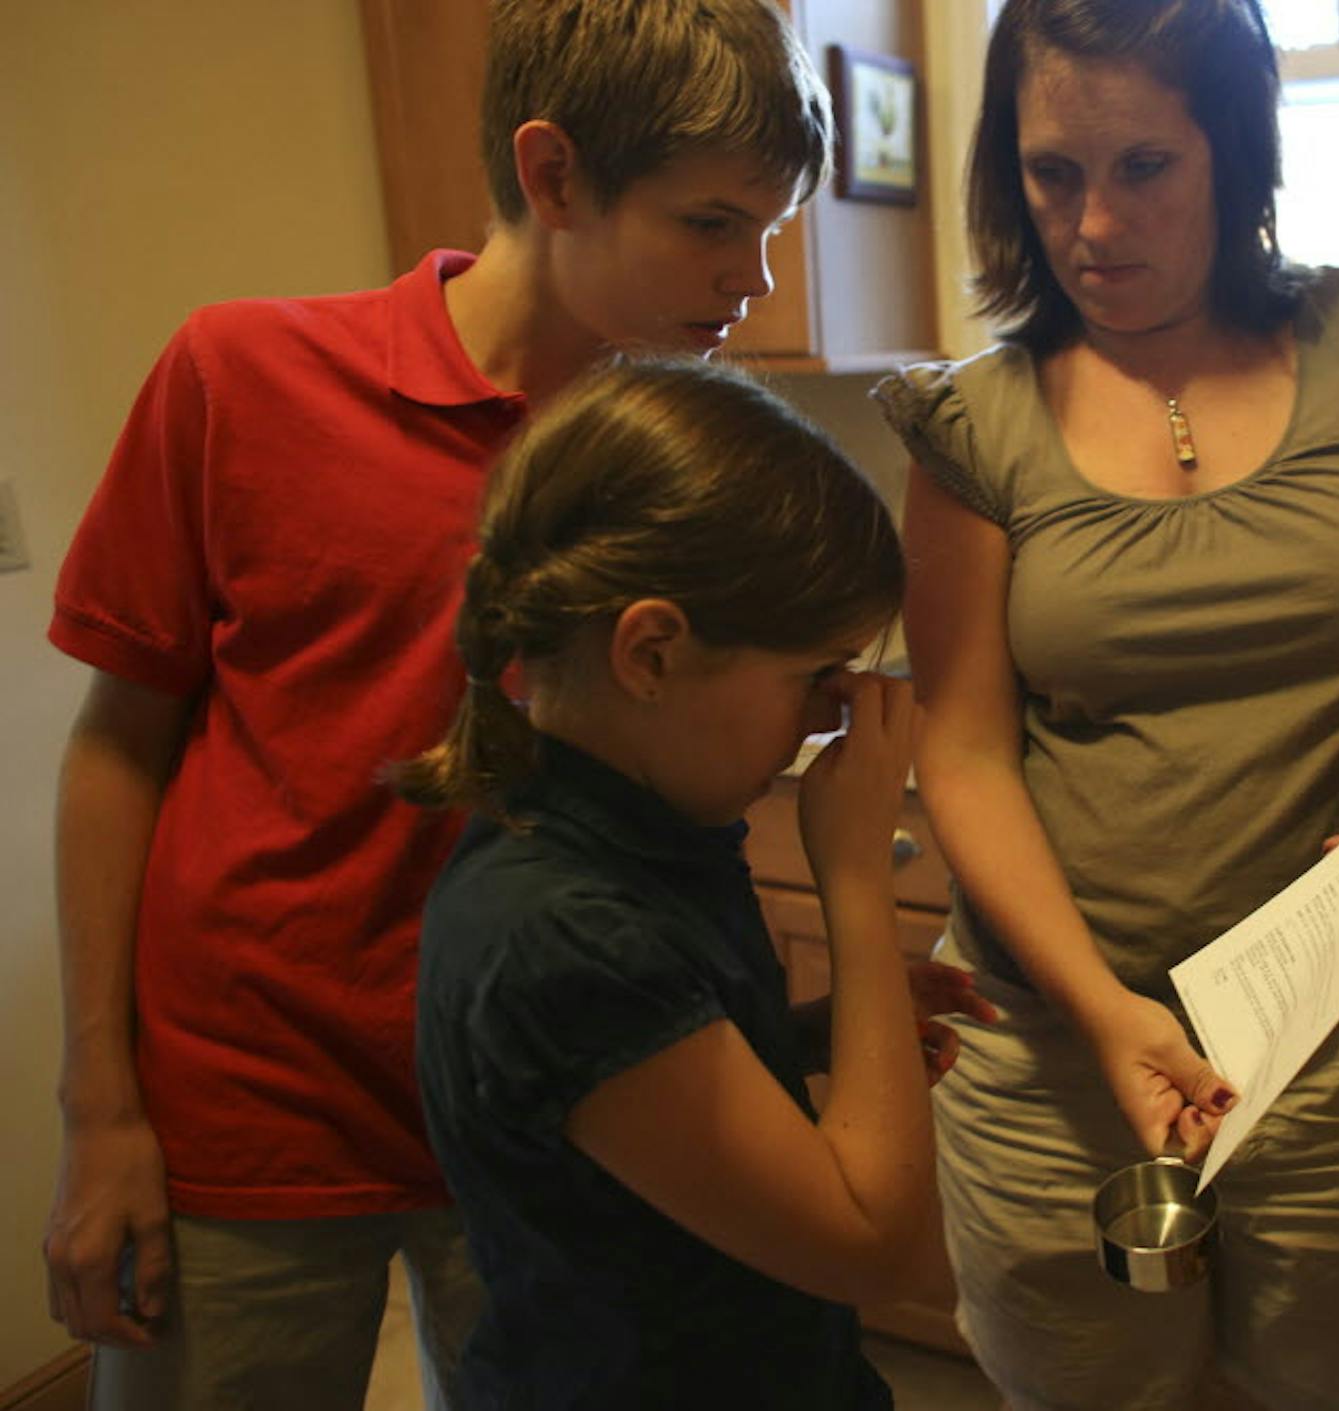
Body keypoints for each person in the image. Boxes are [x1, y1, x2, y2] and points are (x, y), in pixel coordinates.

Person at [42, 3, 830, 1404]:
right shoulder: (242, 375)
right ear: (553, 173)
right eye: (712, 222)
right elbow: (117, 748)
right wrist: (98, 1106)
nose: (753, 276)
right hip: (253, 1106)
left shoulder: (674, 469)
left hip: (553, 1104)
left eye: (768, 228)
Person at [876, 0, 1339, 1407]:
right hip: (1064, 1071)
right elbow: (965, 752)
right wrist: (1104, 1010)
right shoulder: (971, 425)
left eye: (1146, 166)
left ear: (1233, 152)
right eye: (1052, 172)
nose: (1093, 225)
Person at [399, 355, 983, 1409]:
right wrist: (854, 881)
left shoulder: (639, 824)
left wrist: (814, 1032)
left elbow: (635, 1091)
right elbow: (872, 1245)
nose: (834, 713)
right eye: (815, 674)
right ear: (653, 653)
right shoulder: (559, 931)